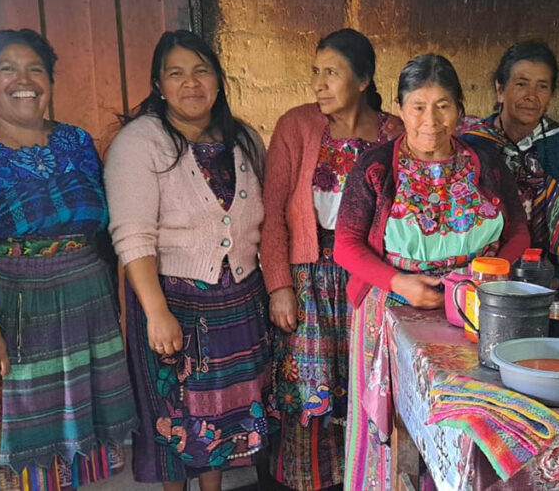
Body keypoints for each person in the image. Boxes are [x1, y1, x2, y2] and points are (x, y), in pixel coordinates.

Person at [0, 29, 137, 491]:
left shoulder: (76, 142)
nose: (24, 80)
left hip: (85, 301)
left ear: (50, 82)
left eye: (35, 69)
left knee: (83, 436)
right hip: (13, 310)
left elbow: (102, 226)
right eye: (8, 69)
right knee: (22, 442)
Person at [333, 54, 529, 490]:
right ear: (399, 109)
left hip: (475, 311)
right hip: (389, 310)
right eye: (418, 106)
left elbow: (518, 229)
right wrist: (399, 282)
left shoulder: (486, 163)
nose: (430, 120)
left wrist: (488, 279)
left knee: (461, 423)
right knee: (392, 431)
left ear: (460, 108)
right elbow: (345, 244)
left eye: (443, 106)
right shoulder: (376, 167)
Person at [105, 30, 270, 491]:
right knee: (176, 418)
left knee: (220, 417)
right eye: (176, 73)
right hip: (173, 303)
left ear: (218, 80)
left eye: (201, 71)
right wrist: (156, 312)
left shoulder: (244, 139)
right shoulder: (140, 143)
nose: (191, 83)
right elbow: (132, 234)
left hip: (239, 302)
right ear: (159, 84)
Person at [260, 29, 402, 491]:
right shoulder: (296, 126)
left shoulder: (395, 133)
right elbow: (272, 212)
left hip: (369, 280)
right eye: (315, 72)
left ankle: (365, 480)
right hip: (309, 282)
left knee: (371, 388)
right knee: (309, 393)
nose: (319, 84)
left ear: (363, 79)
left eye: (332, 73)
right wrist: (279, 285)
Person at [461, 40, 559, 295]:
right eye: (521, 84)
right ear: (500, 90)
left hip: (549, 275)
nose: (531, 96)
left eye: (542, 86)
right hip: (488, 271)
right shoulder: (473, 144)